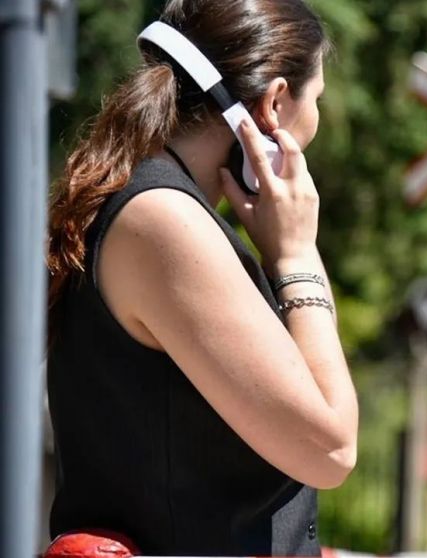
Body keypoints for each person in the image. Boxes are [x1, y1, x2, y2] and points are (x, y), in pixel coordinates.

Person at [45, 1, 358, 556]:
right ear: (277, 103)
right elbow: (329, 450)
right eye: (317, 100)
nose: (316, 122)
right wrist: (297, 256)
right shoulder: (163, 219)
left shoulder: (150, 204)